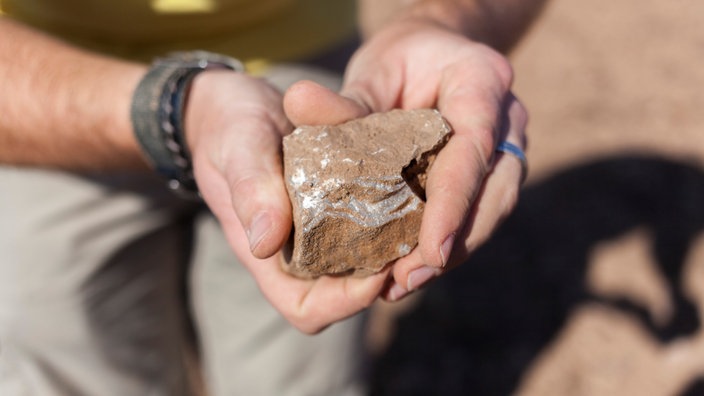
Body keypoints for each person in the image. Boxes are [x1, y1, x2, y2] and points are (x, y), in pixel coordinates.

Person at [0, 0, 544, 394]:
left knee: (300, 372)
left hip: (306, 55)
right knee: (71, 354)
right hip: (47, 77)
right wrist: (176, 109)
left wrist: (442, 20)